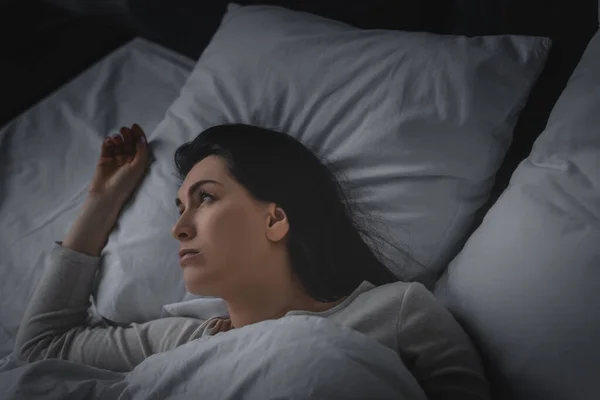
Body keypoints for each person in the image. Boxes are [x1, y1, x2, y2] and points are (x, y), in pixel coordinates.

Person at [14, 123, 491, 400]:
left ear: (275, 219)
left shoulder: (397, 313)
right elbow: (40, 349)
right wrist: (101, 202)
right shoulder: (185, 340)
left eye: (204, 199)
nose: (178, 228)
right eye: (179, 208)